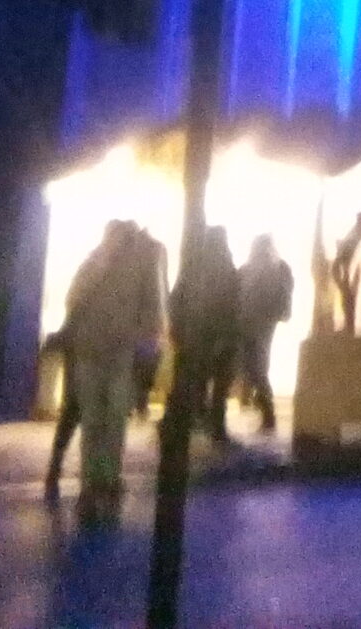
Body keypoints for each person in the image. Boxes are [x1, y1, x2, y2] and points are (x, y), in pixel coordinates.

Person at [56, 220, 161, 515]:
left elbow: (151, 308)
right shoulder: (94, 261)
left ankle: (104, 478)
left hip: (117, 354)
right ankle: (95, 481)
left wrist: (145, 344)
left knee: (111, 419)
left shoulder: (139, 267)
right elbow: (73, 298)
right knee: (95, 420)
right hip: (92, 352)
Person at [173, 224, 242, 441]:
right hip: (222, 337)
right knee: (220, 386)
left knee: (199, 382)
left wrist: (179, 330)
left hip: (197, 336)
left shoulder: (193, 268)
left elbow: (177, 299)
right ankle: (217, 428)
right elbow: (235, 306)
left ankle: (198, 421)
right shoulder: (229, 270)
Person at [236, 234, 295, 435]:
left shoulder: (248, 269)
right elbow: (285, 293)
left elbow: (237, 292)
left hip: (249, 322)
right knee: (258, 363)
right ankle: (264, 408)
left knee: (255, 365)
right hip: (264, 322)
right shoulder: (279, 267)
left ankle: (266, 411)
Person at [129, 226, 168, 416]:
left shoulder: (130, 252)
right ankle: (141, 402)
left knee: (135, 363)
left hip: (133, 321)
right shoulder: (157, 251)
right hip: (150, 322)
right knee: (148, 362)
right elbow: (161, 290)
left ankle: (133, 402)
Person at [332, 210, 361, 334]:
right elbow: (336, 266)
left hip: (351, 284)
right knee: (354, 326)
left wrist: (341, 285)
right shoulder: (357, 239)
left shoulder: (353, 237)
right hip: (355, 285)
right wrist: (342, 285)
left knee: (352, 324)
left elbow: (335, 266)